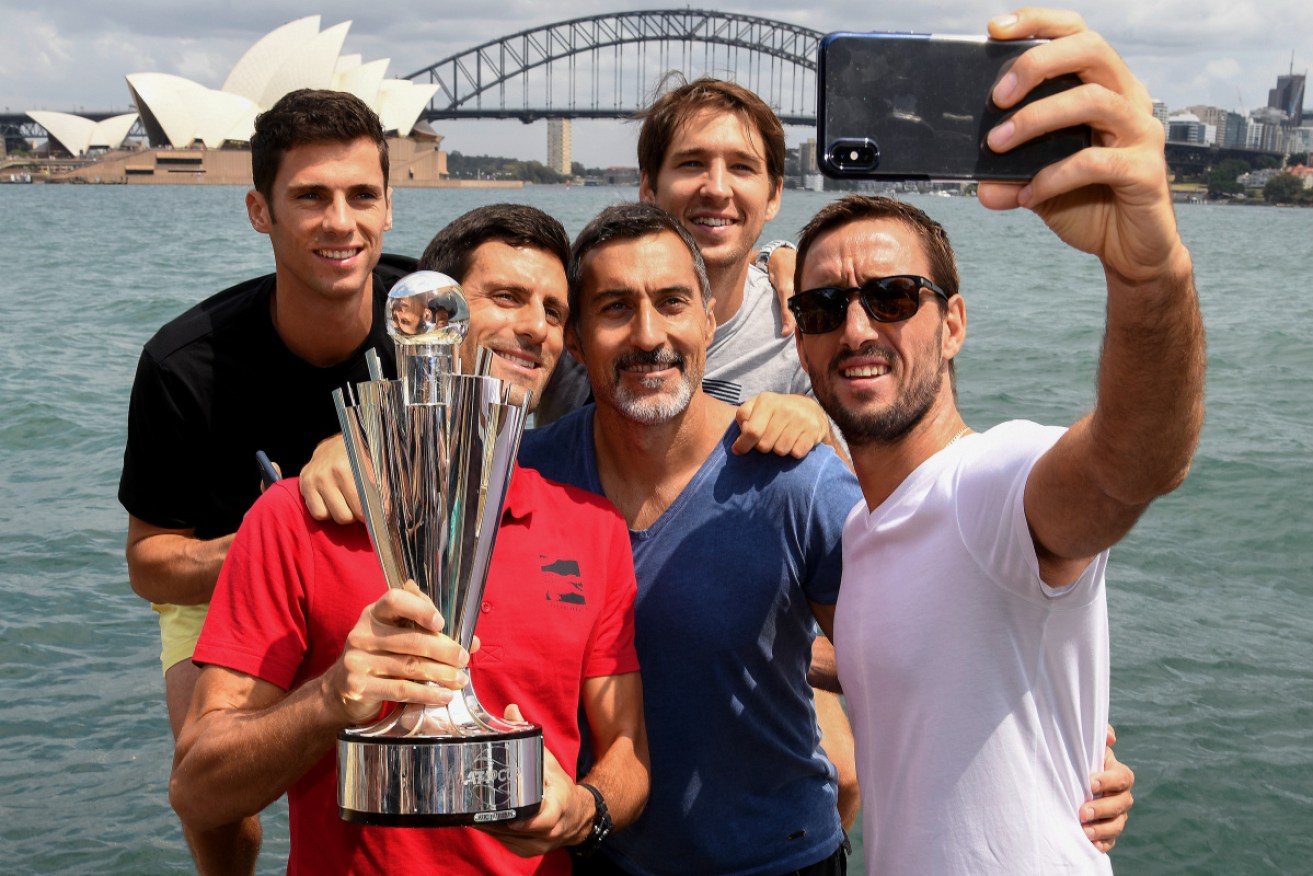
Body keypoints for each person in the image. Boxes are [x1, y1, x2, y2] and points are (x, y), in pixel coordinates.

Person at [789, 9, 1204, 874]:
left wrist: (1147, 270)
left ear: (953, 326)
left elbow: (1131, 463)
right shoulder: (864, 538)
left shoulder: (987, 488)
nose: (857, 327)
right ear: (800, 341)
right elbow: (906, 668)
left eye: (894, 297)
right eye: (823, 308)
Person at [170, 204, 650, 876]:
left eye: (553, 309)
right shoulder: (296, 518)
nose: (534, 327)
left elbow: (628, 749)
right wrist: (332, 697)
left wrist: (580, 809)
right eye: (507, 297)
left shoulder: (592, 528)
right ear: (432, 318)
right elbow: (196, 787)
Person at [118, 88, 414, 874]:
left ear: (390, 208)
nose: (340, 222)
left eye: (361, 196)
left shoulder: (433, 315)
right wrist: (275, 541)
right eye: (309, 197)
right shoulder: (184, 366)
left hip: (399, 571)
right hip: (231, 585)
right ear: (260, 210)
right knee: (208, 793)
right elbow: (150, 563)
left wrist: (354, 440)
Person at [521, 202, 865, 876]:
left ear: (709, 320)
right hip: (595, 851)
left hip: (778, 860)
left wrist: (1066, 753)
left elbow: (906, 662)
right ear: (577, 337)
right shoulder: (526, 476)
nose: (648, 335)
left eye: (672, 303)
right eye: (615, 308)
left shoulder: (797, 482)